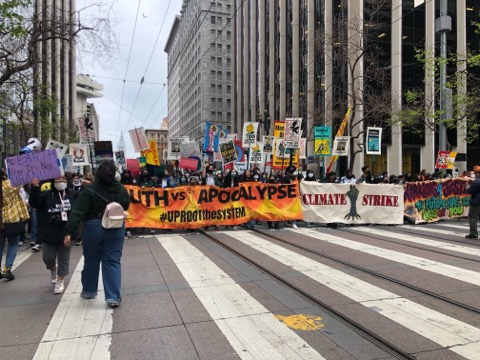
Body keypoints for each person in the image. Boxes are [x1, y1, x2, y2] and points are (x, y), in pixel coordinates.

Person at [64, 160, 130, 308]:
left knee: (91, 260)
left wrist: (69, 231)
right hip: (115, 226)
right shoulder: (121, 189)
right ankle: (113, 297)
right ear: (114, 173)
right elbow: (125, 205)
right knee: (112, 261)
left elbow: (78, 211)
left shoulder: (89, 190)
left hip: (93, 226)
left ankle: (89, 291)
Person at [29, 176, 78, 294]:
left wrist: (71, 233)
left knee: (63, 259)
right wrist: (35, 188)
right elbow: (35, 203)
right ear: (52, 181)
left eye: (63, 179)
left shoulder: (74, 194)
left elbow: (78, 212)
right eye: (57, 179)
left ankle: (60, 280)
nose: (60, 182)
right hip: (48, 233)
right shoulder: (46, 195)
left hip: (66, 233)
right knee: (48, 258)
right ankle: (52, 269)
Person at [0, 169, 30, 281]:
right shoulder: (8, 185)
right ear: (3, 176)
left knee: (0, 245)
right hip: (11, 218)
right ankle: (7, 269)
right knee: (13, 244)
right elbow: (23, 179)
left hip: (0, 220)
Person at [465, 165, 480, 239]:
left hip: (476, 202)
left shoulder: (477, 182)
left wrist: (467, 187)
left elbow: (471, 191)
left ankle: (473, 234)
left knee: (473, 217)